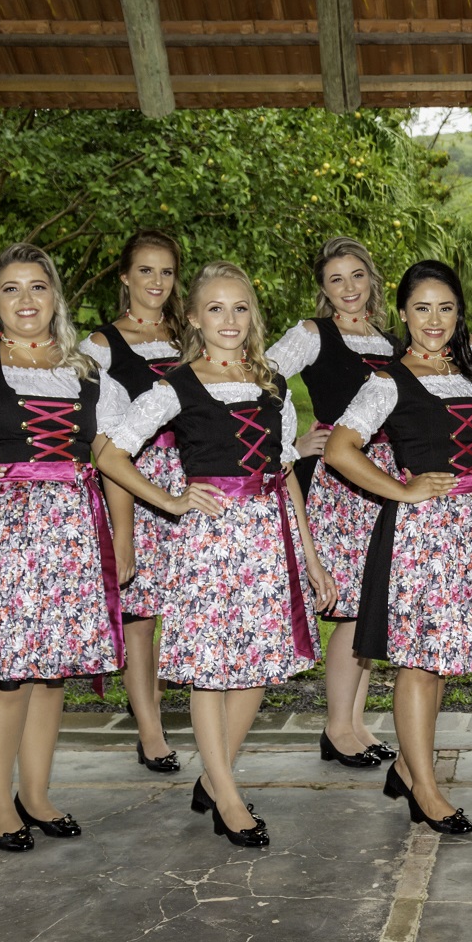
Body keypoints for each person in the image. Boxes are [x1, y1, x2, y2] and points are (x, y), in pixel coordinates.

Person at [0, 243, 217, 853]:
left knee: (50, 676)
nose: (26, 301)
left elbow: (109, 458)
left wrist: (122, 537)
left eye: (37, 287)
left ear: (55, 296)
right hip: (0, 541)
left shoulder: (89, 376)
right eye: (11, 289)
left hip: (71, 538)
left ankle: (34, 795)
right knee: (9, 679)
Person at [98, 261, 336, 847]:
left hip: (267, 537)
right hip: (209, 540)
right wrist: (171, 501)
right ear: (194, 319)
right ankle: (228, 796)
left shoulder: (273, 386)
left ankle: (215, 774)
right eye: (215, 309)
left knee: (257, 664)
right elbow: (110, 453)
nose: (229, 320)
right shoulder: (174, 385)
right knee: (211, 670)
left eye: (240, 308)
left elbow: (285, 474)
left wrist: (310, 556)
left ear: (253, 315)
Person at [325, 260, 472, 835]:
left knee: (444, 664)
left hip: (471, 533)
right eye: (421, 308)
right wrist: (401, 490)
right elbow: (341, 449)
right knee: (421, 664)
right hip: (421, 537)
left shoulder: (470, 376)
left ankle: (407, 769)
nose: (433, 320)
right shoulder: (388, 380)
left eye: (445, 308)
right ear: (404, 315)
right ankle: (427, 789)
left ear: (459, 313)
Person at [266, 238, 399, 768]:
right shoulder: (311, 334)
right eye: (336, 279)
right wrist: (289, 446)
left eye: (357, 276)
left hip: (388, 477)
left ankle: (356, 722)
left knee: (371, 608)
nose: (348, 288)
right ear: (323, 288)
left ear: (372, 279)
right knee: (350, 610)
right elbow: (259, 378)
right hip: (343, 485)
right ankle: (337, 727)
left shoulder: (393, 341)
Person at [80, 229, 186, 773]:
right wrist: (121, 532)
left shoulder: (194, 334)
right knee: (141, 616)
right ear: (125, 277)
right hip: (136, 480)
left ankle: (180, 714)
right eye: (146, 271)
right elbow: (102, 444)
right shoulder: (102, 346)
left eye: (166, 272)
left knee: (186, 606)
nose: (157, 283)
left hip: (195, 481)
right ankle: (150, 730)